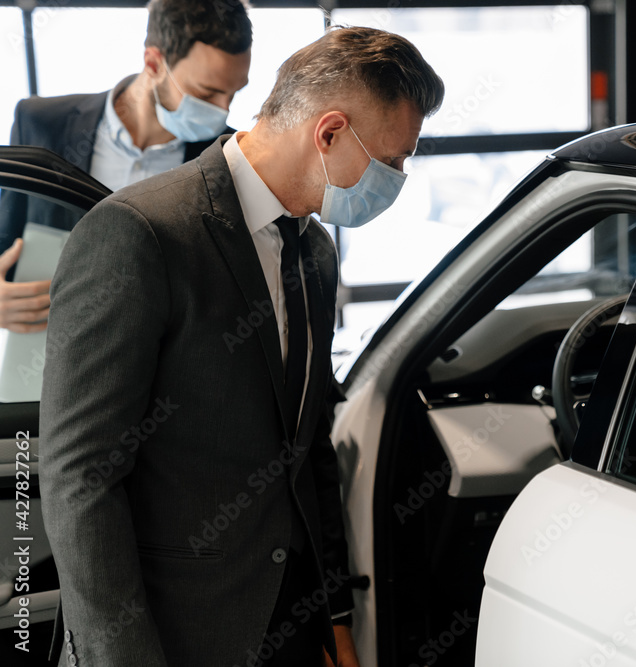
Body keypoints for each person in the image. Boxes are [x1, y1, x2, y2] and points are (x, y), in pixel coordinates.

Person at [38, 25, 444, 667]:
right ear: (330, 133)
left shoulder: (312, 250)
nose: (396, 178)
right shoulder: (140, 233)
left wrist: (334, 616)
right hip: (169, 633)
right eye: (393, 160)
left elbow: (306, 449)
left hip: (287, 623)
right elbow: (79, 476)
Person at [0, 0, 252, 333]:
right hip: (46, 355)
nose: (223, 110)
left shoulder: (230, 156)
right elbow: (5, 235)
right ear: (153, 62)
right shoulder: (42, 124)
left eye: (234, 93)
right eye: (207, 93)